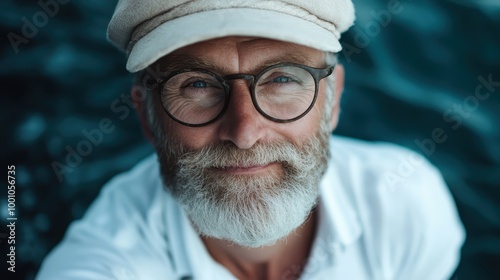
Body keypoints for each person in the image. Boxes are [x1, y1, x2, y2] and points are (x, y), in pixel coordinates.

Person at [37, 1, 465, 279]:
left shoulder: (410, 208)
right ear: (147, 118)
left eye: (282, 79)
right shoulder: (102, 264)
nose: (244, 133)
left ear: (332, 102)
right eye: (198, 85)